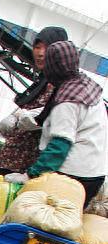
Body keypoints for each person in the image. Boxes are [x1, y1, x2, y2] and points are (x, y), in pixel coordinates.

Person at [8, 40, 107, 205]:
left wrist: (30, 175)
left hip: (72, 176)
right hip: (94, 174)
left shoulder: (67, 101)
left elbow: (60, 145)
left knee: (38, 219)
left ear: (52, 68)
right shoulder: (84, 84)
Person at [0, 26, 68, 179]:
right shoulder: (43, 79)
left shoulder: (62, 83)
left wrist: (19, 116)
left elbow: (47, 114)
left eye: (46, 48)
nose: (40, 53)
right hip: (10, 158)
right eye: (37, 47)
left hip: (27, 165)